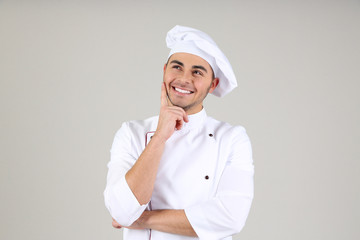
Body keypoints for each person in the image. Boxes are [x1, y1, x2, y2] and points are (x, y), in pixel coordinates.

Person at [104, 25, 254, 240]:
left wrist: (141, 219)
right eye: (177, 67)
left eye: (197, 72)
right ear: (164, 70)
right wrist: (160, 137)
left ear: (213, 85)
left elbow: (230, 218)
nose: (184, 78)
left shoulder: (231, 138)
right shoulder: (131, 133)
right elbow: (120, 211)